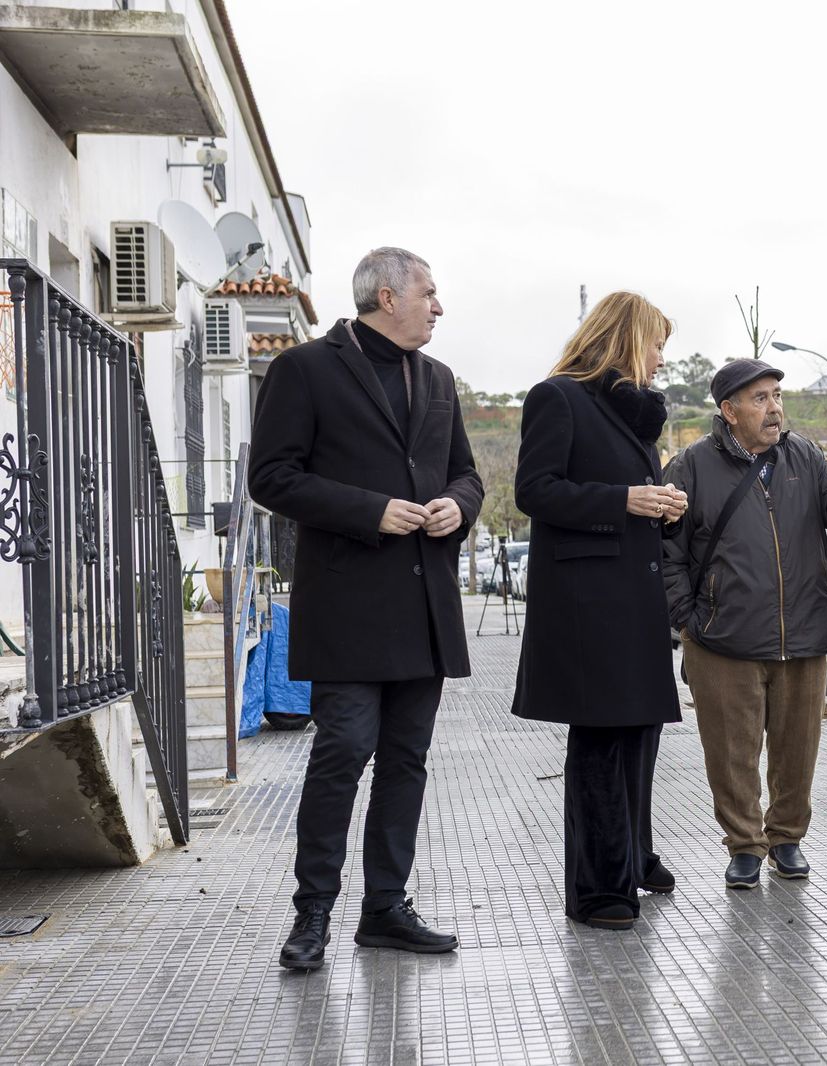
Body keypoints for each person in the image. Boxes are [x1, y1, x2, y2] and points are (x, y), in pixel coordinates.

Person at [251, 247, 483, 970]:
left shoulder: (438, 379)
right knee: (343, 751)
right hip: (347, 606)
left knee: (406, 761)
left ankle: (385, 908)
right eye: (429, 292)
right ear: (387, 297)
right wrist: (370, 511)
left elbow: (467, 473)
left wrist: (458, 506)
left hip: (424, 606)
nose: (438, 306)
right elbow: (271, 478)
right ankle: (312, 914)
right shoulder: (304, 369)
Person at [662, 360, 827, 888]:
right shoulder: (691, 466)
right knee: (731, 754)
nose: (774, 408)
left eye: (776, 396)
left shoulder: (804, 455)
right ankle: (745, 845)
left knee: (797, 748)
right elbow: (667, 553)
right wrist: (690, 619)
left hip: (803, 632)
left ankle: (787, 838)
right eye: (760, 399)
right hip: (722, 639)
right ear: (729, 411)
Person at [509, 291, 688, 931]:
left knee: (639, 730)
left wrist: (663, 506)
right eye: (656, 344)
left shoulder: (634, 416)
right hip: (588, 603)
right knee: (604, 738)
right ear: (627, 339)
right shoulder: (556, 397)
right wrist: (625, 500)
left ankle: (632, 857)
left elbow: (627, 495)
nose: (661, 358)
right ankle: (596, 891)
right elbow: (535, 490)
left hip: (633, 594)